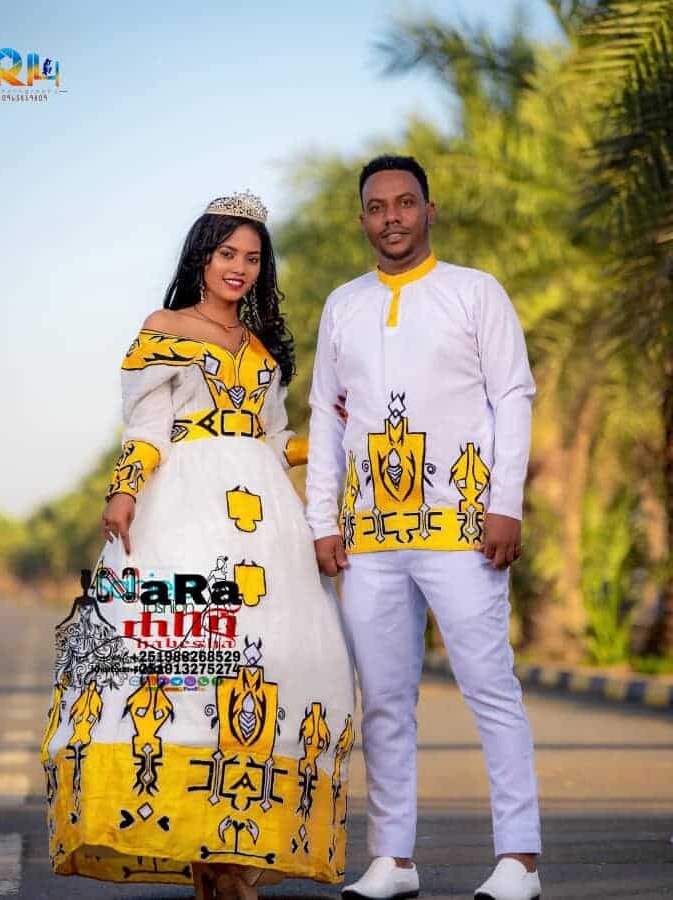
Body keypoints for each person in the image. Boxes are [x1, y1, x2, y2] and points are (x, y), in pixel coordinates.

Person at [41, 192, 356, 900]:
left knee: (269, 666)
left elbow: (273, 438)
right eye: (227, 254)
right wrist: (124, 490)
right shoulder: (165, 327)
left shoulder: (264, 343)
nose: (239, 268)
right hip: (185, 507)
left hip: (267, 517)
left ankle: (234, 860)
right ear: (201, 258)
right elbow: (148, 427)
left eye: (252, 257)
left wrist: (328, 435)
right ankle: (201, 853)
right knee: (188, 666)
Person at [305, 156, 542, 900]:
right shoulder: (343, 304)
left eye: (405, 203)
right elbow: (324, 413)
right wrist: (322, 518)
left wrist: (507, 502)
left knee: (488, 685)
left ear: (429, 210)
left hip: (464, 528)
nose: (393, 218)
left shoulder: (475, 292)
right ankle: (393, 859)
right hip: (369, 536)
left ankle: (520, 860)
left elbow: (513, 394)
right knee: (382, 696)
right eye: (378, 207)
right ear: (363, 220)